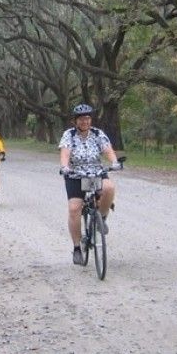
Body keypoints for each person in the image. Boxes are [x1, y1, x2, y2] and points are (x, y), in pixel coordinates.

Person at [58, 103, 120, 265]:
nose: (85, 121)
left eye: (87, 118)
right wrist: (64, 166)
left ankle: (102, 218)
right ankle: (77, 247)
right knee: (74, 209)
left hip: (95, 173)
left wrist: (114, 162)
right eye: (81, 119)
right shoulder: (69, 135)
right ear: (75, 121)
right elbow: (65, 153)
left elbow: (108, 150)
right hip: (75, 175)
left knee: (109, 188)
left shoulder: (98, 134)